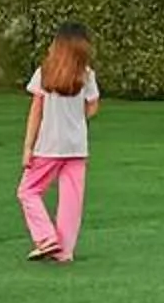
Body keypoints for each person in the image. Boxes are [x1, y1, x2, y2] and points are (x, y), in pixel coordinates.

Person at [17, 23, 102, 263]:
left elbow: (36, 111)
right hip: (76, 146)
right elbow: (93, 106)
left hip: (48, 146)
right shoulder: (86, 75)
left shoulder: (44, 73)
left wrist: (27, 148)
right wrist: (77, 118)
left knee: (27, 191)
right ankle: (65, 250)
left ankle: (46, 238)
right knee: (71, 198)